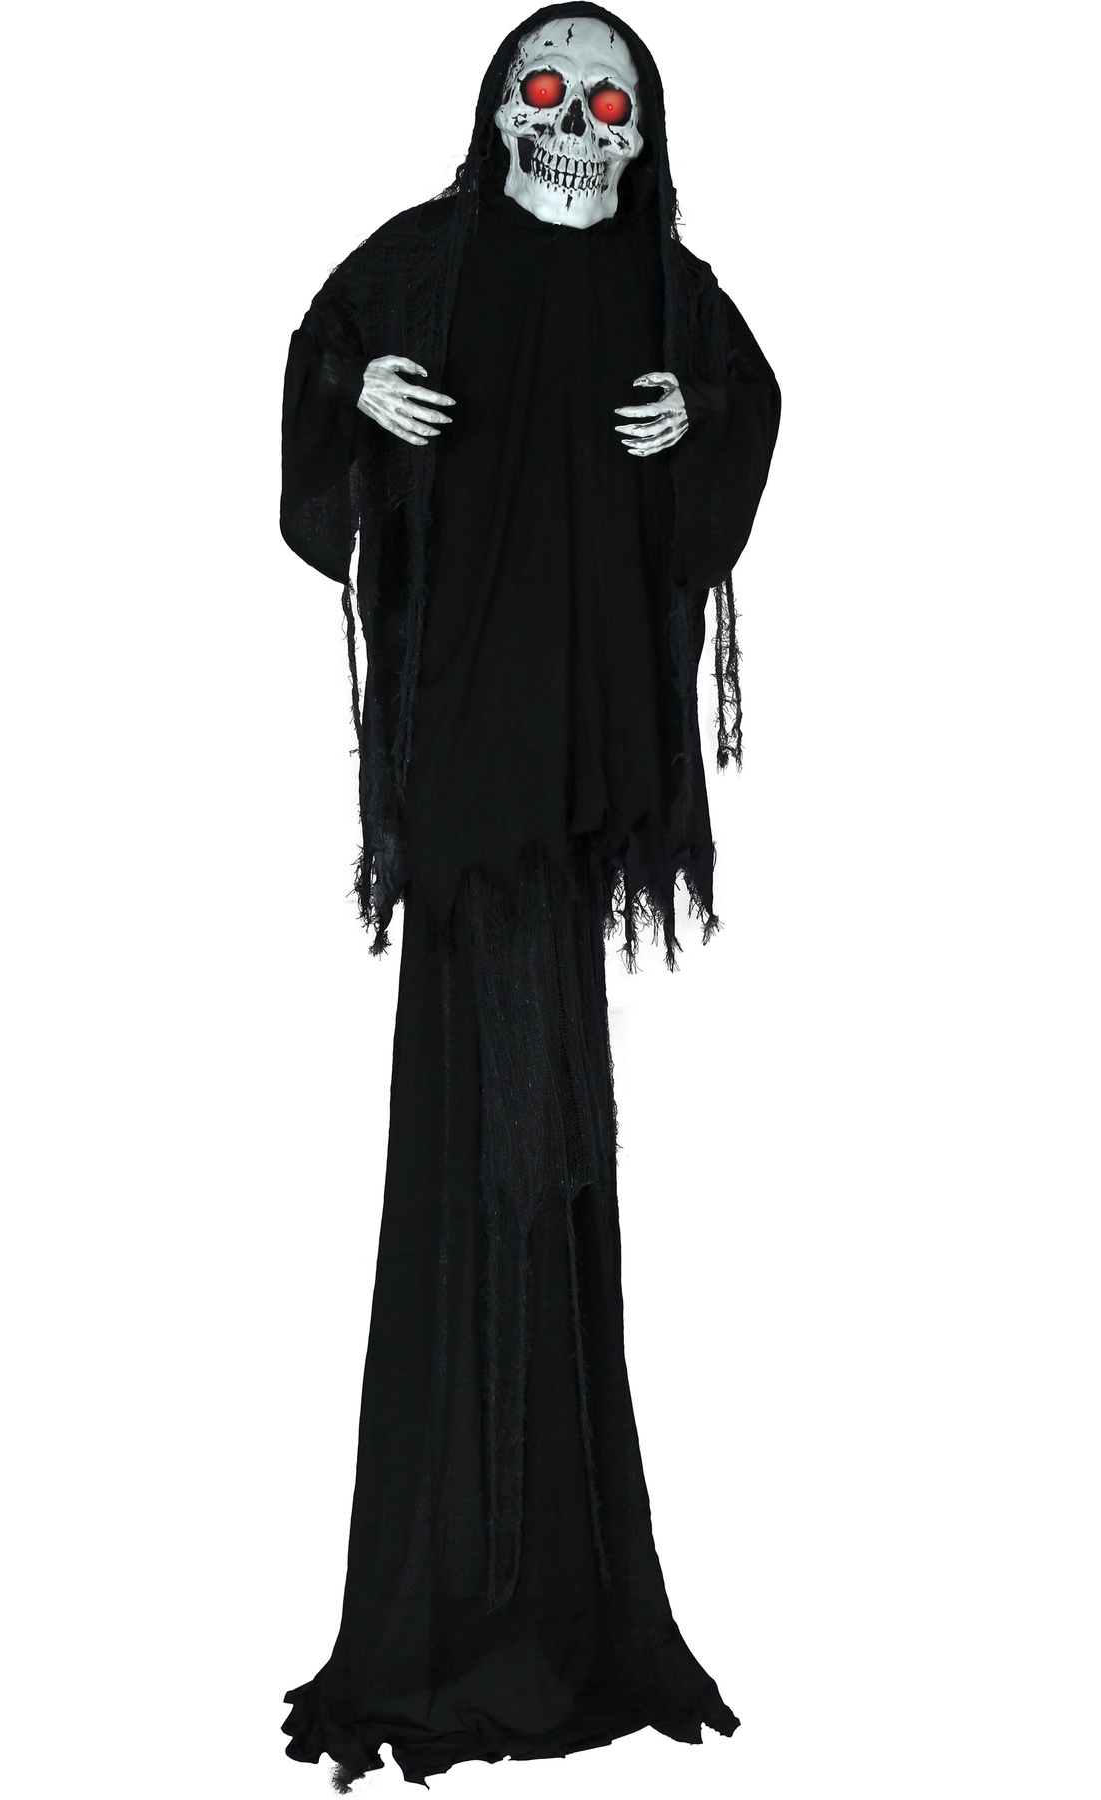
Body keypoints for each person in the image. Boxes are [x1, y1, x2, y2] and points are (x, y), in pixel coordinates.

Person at [277, 7, 780, 1785]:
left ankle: (554, 1596)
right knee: (481, 1140)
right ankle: (461, 1607)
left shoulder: (663, 285)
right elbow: (323, 382)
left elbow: (747, 408)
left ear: (642, 127)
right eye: (547, 89)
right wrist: (358, 403)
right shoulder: (419, 264)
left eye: (606, 98)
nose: (577, 120)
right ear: (499, 109)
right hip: (468, 769)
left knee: (552, 1157)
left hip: (574, 783)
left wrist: (695, 419)